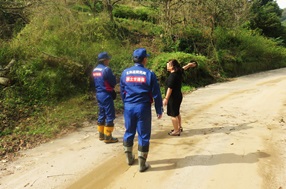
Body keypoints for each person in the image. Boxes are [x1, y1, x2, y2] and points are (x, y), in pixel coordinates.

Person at [120, 48, 163, 172]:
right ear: (144, 59)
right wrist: (158, 109)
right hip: (142, 107)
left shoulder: (125, 73)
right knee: (143, 135)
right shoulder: (149, 74)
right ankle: (142, 164)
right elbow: (156, 94)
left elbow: (122, 91)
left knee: (129, 131)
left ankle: (129, 158)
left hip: (129, 106)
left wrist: (126, 103)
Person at [163, 59, 197, 136]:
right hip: (178, 96)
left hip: (173, 97)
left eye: (168, 64)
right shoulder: (178, 72)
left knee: (173, 114)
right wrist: (189, 65)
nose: (167, 65)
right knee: (177, 112)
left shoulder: (172, 76)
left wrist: (166, 99)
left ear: (172, 67)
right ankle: (179, 127)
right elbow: (183, 68)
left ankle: (176, 131)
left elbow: (170, 88)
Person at [92, 52, 118, 143]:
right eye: (108, 59)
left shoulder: (95, 70)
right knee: (110, 114)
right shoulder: (106, 69)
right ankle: (108, 137)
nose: (108, 61)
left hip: (98, 94)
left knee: (101, 113)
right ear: (105, 60)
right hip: (106, 94)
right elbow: (112, 82)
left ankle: (101, 135)